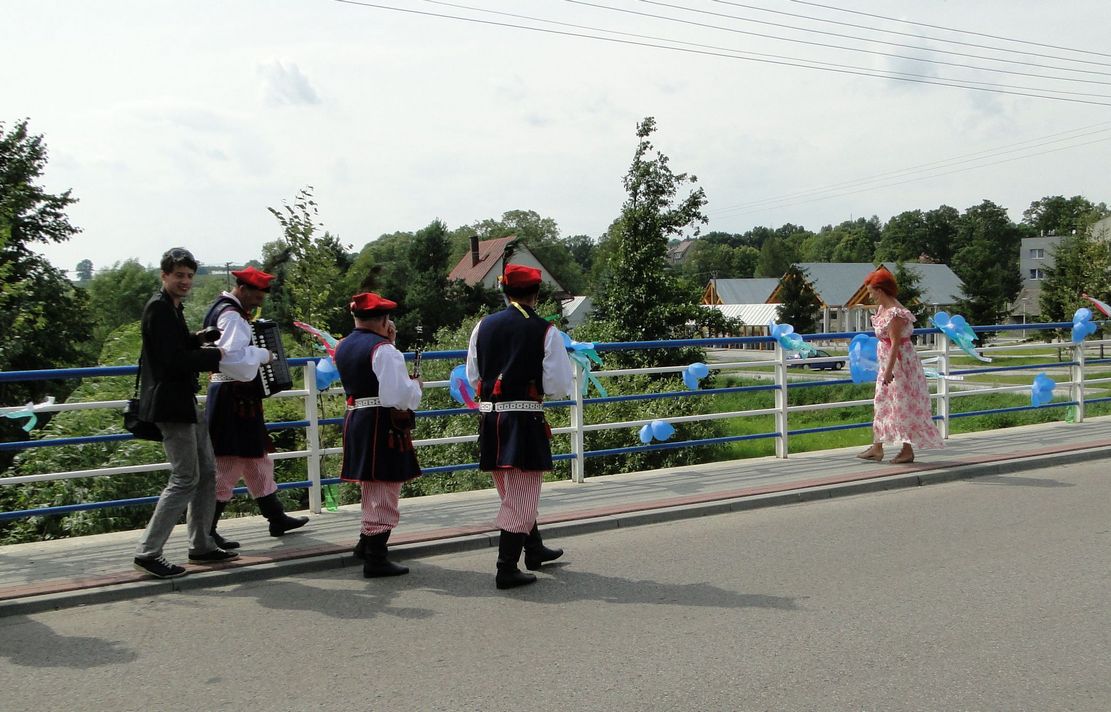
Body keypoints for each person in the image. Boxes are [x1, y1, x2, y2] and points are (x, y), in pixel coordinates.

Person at [466, 263, 575, 589]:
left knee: (512, 492)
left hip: (490, 419)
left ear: (504, 290)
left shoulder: (482, 325)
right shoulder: (545, 330)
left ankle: (534, 548)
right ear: (536, 293)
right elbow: (557, 385)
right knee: (521, 497)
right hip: (524, 419)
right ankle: (506, 567)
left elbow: (473, 376)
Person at [133, 248, 238, 579]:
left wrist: (199, 338)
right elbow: (172, 361)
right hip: (171, 404)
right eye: (179, 275)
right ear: (164, 275)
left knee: (207, 471)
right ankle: (148, 552)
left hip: (183, 402)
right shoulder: (158, 309)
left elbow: (176, 346)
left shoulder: (171, 307)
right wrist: (216, 355)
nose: (185, 281)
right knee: (184, 478)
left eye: (190, 276)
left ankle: (202, 544)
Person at [203, 266, 308, 547]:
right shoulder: (232, 317)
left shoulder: (222, 310)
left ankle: (276, 517)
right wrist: (262, 354)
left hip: (234, 396)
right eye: (257, 297)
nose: (258, 303)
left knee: (256, 458)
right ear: (243, 289)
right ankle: (206, 531)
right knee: (227, 463)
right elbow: (231, 360)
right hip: (232, 397)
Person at [333, 292, 423, 578]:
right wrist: (416, 386)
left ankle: (365, 543)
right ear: (384, 319)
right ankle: (376, 556)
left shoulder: (343, 345)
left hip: (357, 418)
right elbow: (398, 396)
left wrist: (390, 344)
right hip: (380, 422)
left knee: (371, 485)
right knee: (385, 486)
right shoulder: (383, 350)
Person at [857, 268, 943, 465]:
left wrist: (888, 371)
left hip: (899, 366)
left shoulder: (894, 313)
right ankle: (877, 447)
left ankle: (906, 450)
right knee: (883, 402)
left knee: (902, 404)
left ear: (880, 290)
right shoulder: (883, 309)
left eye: (871, 291)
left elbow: (895, 343)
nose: (870, 296)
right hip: (889, 363)